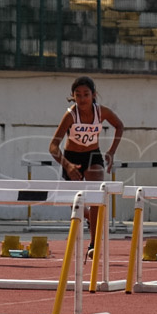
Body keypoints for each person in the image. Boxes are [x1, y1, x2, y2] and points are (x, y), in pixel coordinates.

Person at [48, 76, 124, 258]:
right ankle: (90, 218)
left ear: (93, 95)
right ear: (73, 96)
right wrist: (67, 165)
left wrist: (111, 152)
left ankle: (94, 243)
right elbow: (52, 146)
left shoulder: (101, 112)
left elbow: (119, 126)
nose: (82, 99)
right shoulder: (70, 115)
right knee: (75, 205)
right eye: (78, 95)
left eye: (86, 95)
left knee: (97, 196)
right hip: (71, 158)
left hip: (92, 156)